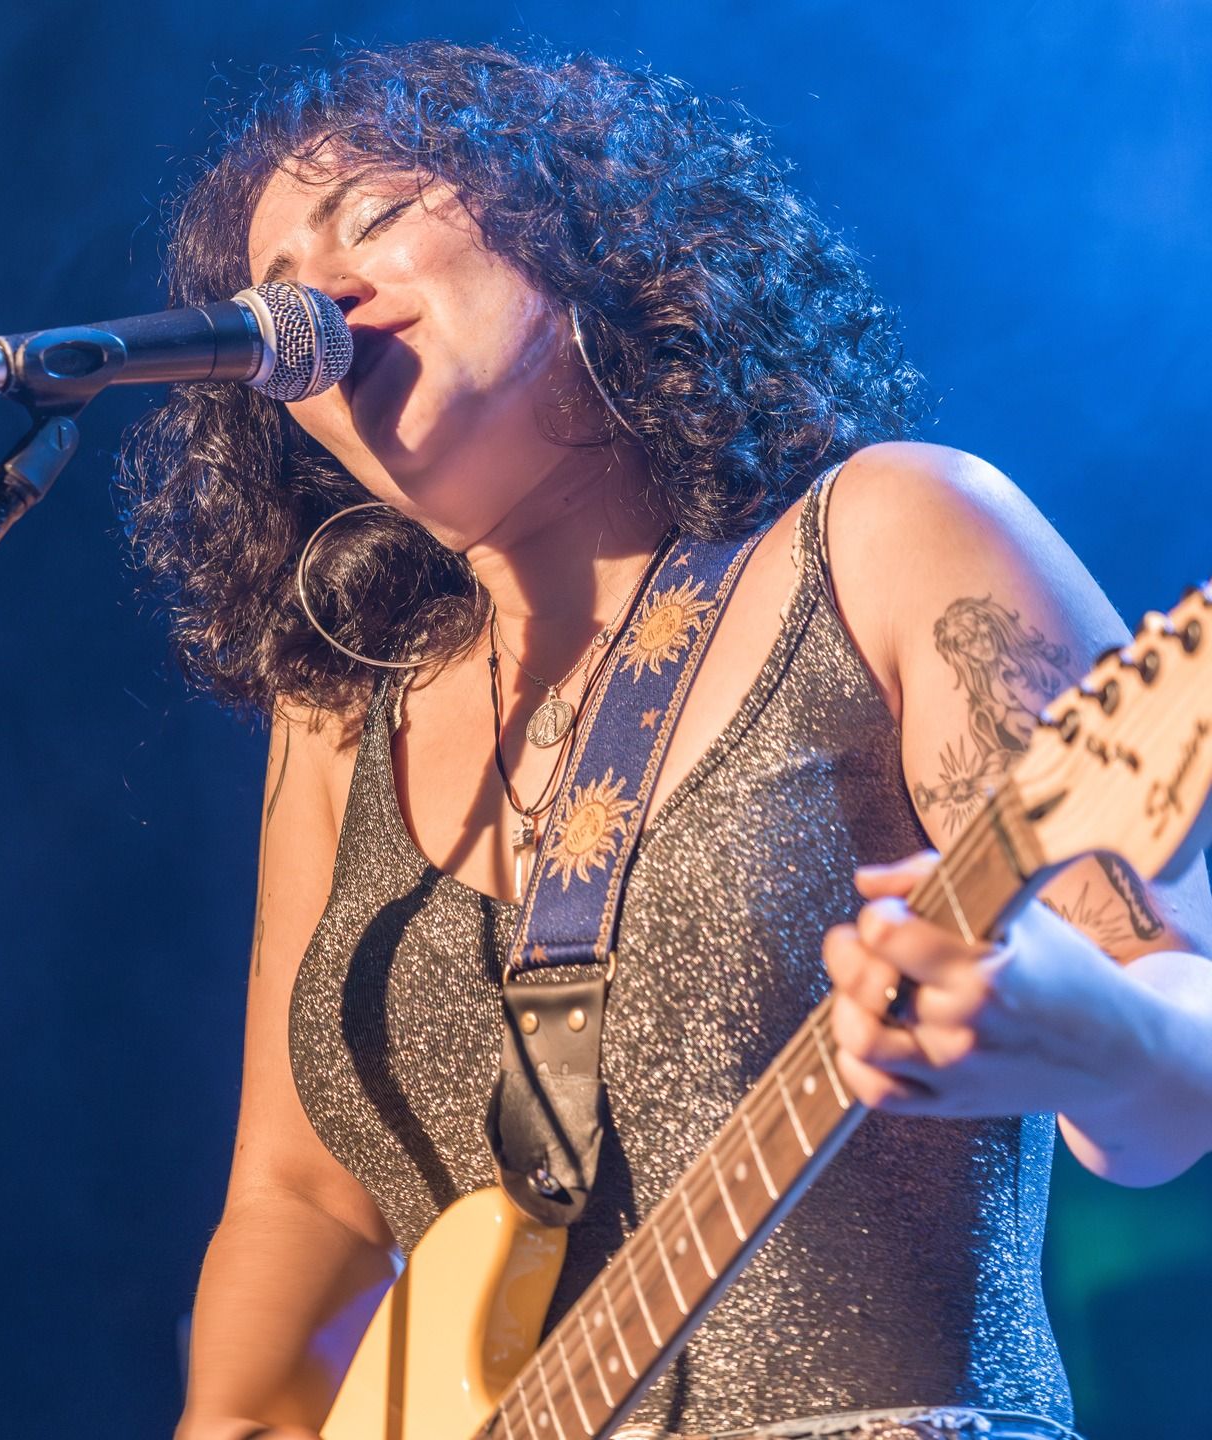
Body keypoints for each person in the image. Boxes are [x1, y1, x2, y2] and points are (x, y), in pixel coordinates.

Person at [118, 38, 1212, 1440]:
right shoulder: (341, 716)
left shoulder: (888, 532)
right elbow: (300, 1197)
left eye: (374, 215)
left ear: (578, 224)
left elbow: (1178, 1023)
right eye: (269, 292)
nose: (310, 301)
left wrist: (1097, 1038)